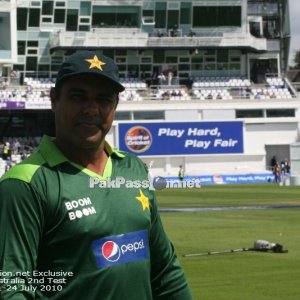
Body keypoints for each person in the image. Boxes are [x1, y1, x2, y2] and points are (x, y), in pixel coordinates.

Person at [0, 50, 193, 300]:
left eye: (104, 99)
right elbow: (11, 287)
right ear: (54, 99)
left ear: (115, 107)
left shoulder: (133, 168)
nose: (91, 109)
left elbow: (165, 271)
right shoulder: (24, 184)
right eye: (78, 96)